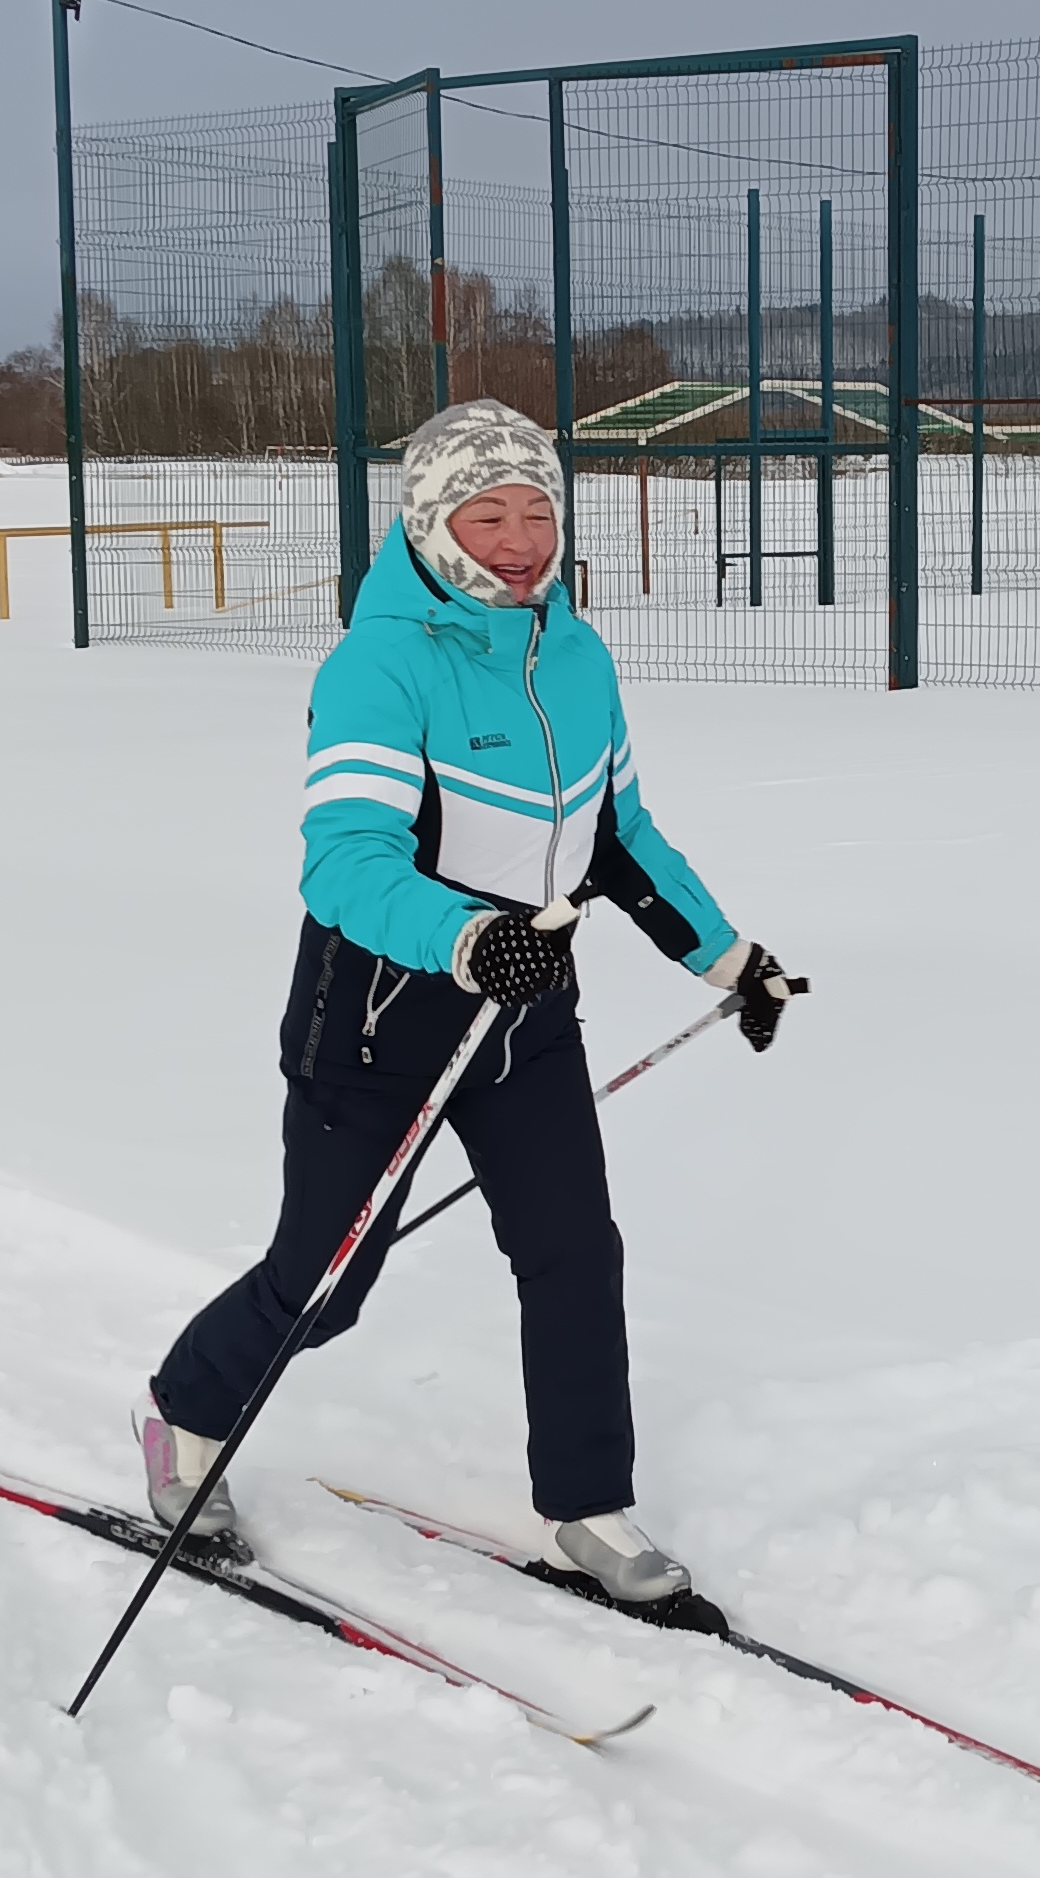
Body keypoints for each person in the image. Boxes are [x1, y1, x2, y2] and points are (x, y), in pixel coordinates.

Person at [140, 396, 799, 1610]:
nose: (517, 539)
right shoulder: (381, 663)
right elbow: (344, 859)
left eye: (536, 511)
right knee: (326, 1280)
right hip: (381, 1020)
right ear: (433, 523)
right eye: (486, 513)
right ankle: (183, 1417)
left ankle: (588, 1510)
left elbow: (619, 837)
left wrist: (728, 958)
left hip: (526, 1016)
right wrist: (468, 937)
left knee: (573, 1255)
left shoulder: (575, 651)